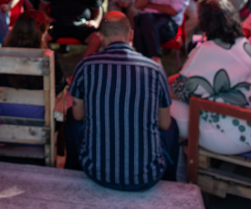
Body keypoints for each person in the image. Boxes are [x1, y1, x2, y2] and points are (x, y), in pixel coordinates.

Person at [67, 12, 178, 190]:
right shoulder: (154, 69)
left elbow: (78, 115)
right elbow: (164, 124)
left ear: (100, 36)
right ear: (131, 35)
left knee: (71, 117)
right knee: (173, 125)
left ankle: (71, 170)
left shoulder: (85, 66)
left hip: (96, 171)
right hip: (147, 175)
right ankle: (171, 184)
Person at [170, 0, 251, 155]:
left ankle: (173, 166)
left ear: (203, 22)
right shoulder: (243, 44)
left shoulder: (207, 51)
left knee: (162, 105)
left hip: (234, 135)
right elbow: (188, 79)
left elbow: (180, 91)